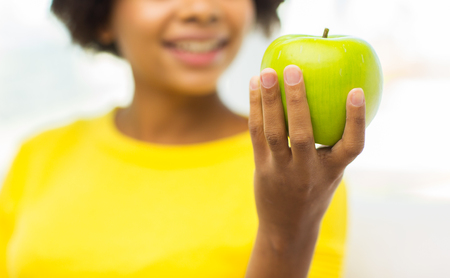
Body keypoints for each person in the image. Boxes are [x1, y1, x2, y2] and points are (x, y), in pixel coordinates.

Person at [0, 0, 366, 277]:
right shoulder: (40, 155)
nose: (201, 9)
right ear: (103, 16)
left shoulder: (298, 174)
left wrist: (285, 233)